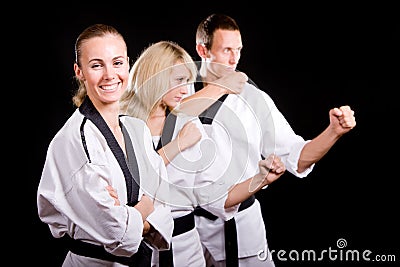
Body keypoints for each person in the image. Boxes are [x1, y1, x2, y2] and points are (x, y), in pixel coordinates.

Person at [182, 13, 357, 267]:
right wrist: (222, 87)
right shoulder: (179, 94)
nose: (234, 60)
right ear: (202, 49)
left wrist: (333, 132)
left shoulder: (254, 100)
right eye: (226, 50)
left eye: (238, 50)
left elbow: (297, 158)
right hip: (188, 236)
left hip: (241, 231)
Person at [119, 40, 287, 267]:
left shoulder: (191, 127)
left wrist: (261, 178)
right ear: (155, 76)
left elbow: (217, 197)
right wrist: (178, 145)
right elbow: (133, 180)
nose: (185, 89)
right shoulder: (122, 126)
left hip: (187, 250)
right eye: (178, 80)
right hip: (134, 251)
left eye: (188, 81)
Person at [37, 24, 173, 267]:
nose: (110, 75)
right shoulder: (74, 140)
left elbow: (166, 200)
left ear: (128, 65)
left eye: (117, 62)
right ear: (79, 72)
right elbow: (114, 230)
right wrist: (145, 206)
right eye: (97, 65)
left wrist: (127, 209)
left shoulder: (136, 129)